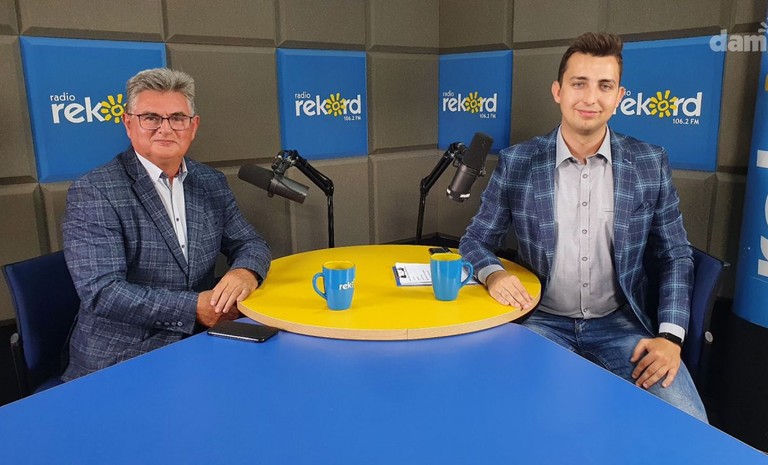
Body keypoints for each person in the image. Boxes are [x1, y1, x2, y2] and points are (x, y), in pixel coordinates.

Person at [458, 32, 707, 421]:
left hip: (622, 327)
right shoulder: (517, 162)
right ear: (558, 91)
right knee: (503, 416)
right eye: (579, 83)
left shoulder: (649, 162)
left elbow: (675, 254)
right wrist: (493, 274)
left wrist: (670, 337)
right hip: (540, 322)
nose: (591, 98)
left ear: (619, 96)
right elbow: (474, 240)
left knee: (691, 424)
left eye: (604, 86)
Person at [62, 68, 271, 381]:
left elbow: (250, 243)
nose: (166, 129)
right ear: (128, 124)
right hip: (123, 357)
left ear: (193, 126)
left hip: (202, 345)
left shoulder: (210, 182)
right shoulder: (94, 191)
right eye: (151, 118)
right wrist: (193, 308)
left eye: (177, 118)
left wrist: (245, 272)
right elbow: (102, 292)